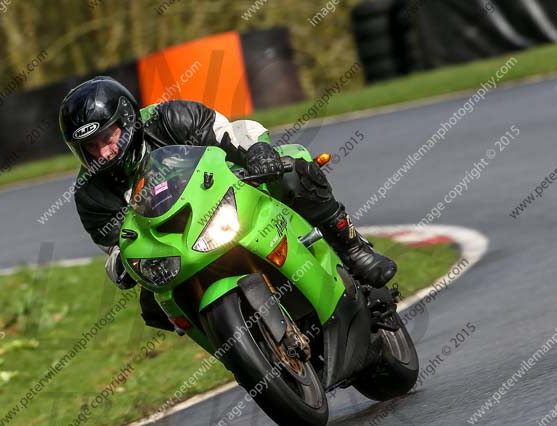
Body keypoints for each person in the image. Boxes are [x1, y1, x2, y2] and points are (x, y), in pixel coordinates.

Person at [59, 76, 396, 330]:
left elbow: (232, 132)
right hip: (180, 247)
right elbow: (118, 246)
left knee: (295, 167)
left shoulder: (171, 118)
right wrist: (122, 266)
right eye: (92, 146)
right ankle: (231, 342)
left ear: (127, 122)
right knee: (154, 305)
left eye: (107, 137)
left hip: (231, 198)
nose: (104, 152)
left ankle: (353, 248)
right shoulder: (90, 192)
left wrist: (258, 152)